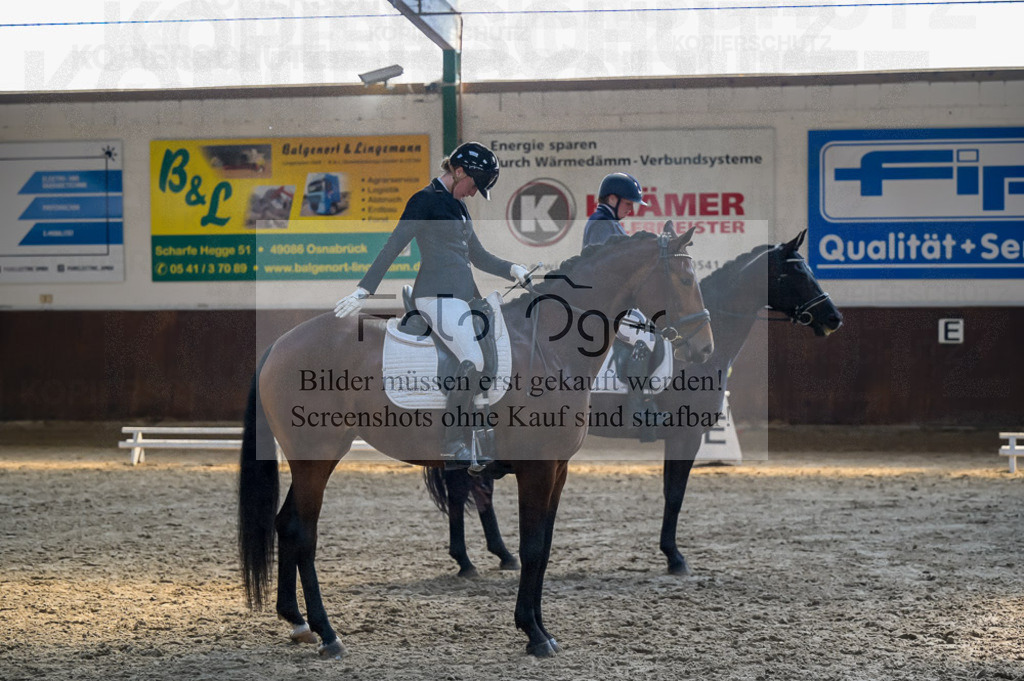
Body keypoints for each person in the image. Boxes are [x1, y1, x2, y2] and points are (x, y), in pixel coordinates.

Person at [334, 141, 530, 468]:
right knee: (473, 357)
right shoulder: (423, 201)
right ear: (458, 171)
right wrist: (363, 290)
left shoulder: (459, 206)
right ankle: (454, 442)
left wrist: (512, 269)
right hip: (436, 298)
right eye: (473, 185)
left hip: (464, 298)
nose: (472, 193)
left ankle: (482, 431)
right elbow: (394, 244)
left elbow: (477, 256)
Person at [582, 172, 659, 441]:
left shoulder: (611, 223)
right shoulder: (602, 223)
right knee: (645, 337)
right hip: (604, 305)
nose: (631, 208)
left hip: (616, 302)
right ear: (612, 198)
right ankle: (640, 411)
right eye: (628, 203)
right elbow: (608, 269)